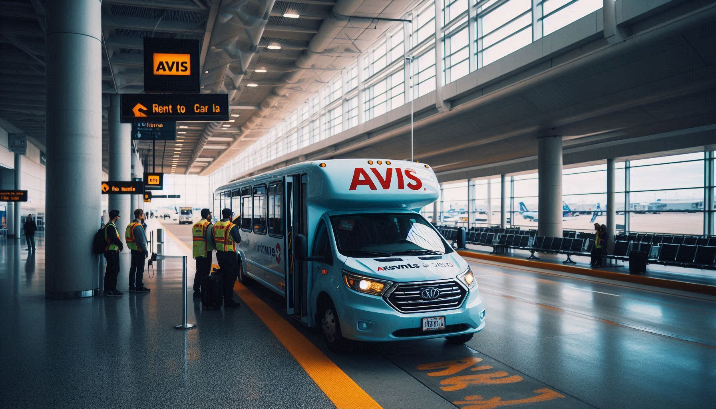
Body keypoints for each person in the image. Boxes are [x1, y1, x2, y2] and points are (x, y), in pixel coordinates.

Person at [213, 208, 242, 308]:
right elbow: (238, 240)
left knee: (224, 275)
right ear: (230, 216)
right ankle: (228, 300)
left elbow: (213, 240)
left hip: (220, 254)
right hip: (229, 255)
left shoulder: (216, 225)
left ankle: (223, 297)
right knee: (231, 277)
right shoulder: (231, 226)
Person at [192, 209, 215, 298]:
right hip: (206, 252)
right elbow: (210, 239)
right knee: (205, 272)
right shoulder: (208, 225)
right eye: (210, 214)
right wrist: (214, 247)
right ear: (207, 215)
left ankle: (196, 289)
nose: (210, 216)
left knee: (199, 271)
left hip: (197, 252)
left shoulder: (195, 225)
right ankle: (204, 289)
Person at [126, 209, 150, 293]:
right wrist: (145, 251)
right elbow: (141, 241)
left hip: (133, 249)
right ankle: (139, 286)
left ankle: (131, 286)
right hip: (139, 250)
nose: (143, 215)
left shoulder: (131, 225)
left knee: (133, 268)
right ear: (140, 216)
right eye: (142, 214)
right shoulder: (138, 226)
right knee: (140, 269)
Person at [103, 210, 124, 296]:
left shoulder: (110, 225)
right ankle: (111, 289)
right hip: (111, 251)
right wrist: (120, 245)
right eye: (118, 216)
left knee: (110, 270)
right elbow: (113, 238)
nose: (118, 217)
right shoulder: (111, 226)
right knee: (114, 270)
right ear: (115, 217)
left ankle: (109, 289)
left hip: (111, 250)